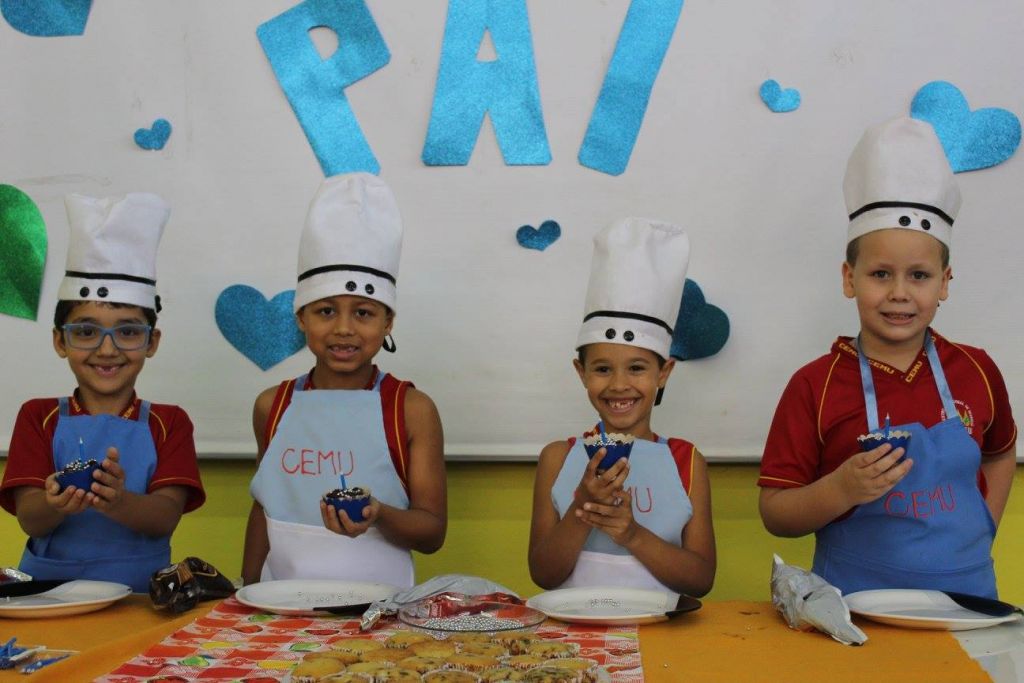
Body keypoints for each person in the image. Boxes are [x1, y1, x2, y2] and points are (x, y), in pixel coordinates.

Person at [759, 117, 1017, 598]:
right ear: (849, 278)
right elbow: (775, 513)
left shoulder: (977, 370)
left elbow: (1001, 452)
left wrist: (986, 524)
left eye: (919, 275)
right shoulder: (814, 386)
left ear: (944, 283)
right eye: (880, 274)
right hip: (856, 607)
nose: (899, 293)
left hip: (967, 603)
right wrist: (840, 490)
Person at [242, 173, 446, 587]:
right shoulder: (272, 405)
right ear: (301, 317)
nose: (344, 329)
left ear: (388, 321)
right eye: (326, 311)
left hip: (379, 607)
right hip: (280, 603)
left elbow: (432, 532)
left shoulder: (410, 409)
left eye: (364, 312)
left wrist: (379, 514)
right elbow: (265, 508)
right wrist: (246, 594)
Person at [0, 192, 205, 592]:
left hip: (138, 598)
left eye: (128, 331)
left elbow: (165, 517)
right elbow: (30, 518)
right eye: (86, 331)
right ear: (60, 341)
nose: (107, 350)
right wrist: (56, 502)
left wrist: (117, 500)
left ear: (152, 342)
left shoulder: (169, 422)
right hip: (48, 596)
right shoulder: (38, 416)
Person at [528, 217, 716, 595]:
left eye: (637, 368)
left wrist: (631, 534)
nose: (618, 385)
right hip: (575, 629)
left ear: (664, 373)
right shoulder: (558, 458)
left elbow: (700, 581)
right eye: (602, 369)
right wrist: (583, 507)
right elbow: (543, 574)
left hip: (662, 627)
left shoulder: (687, 461)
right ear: (581, 372)